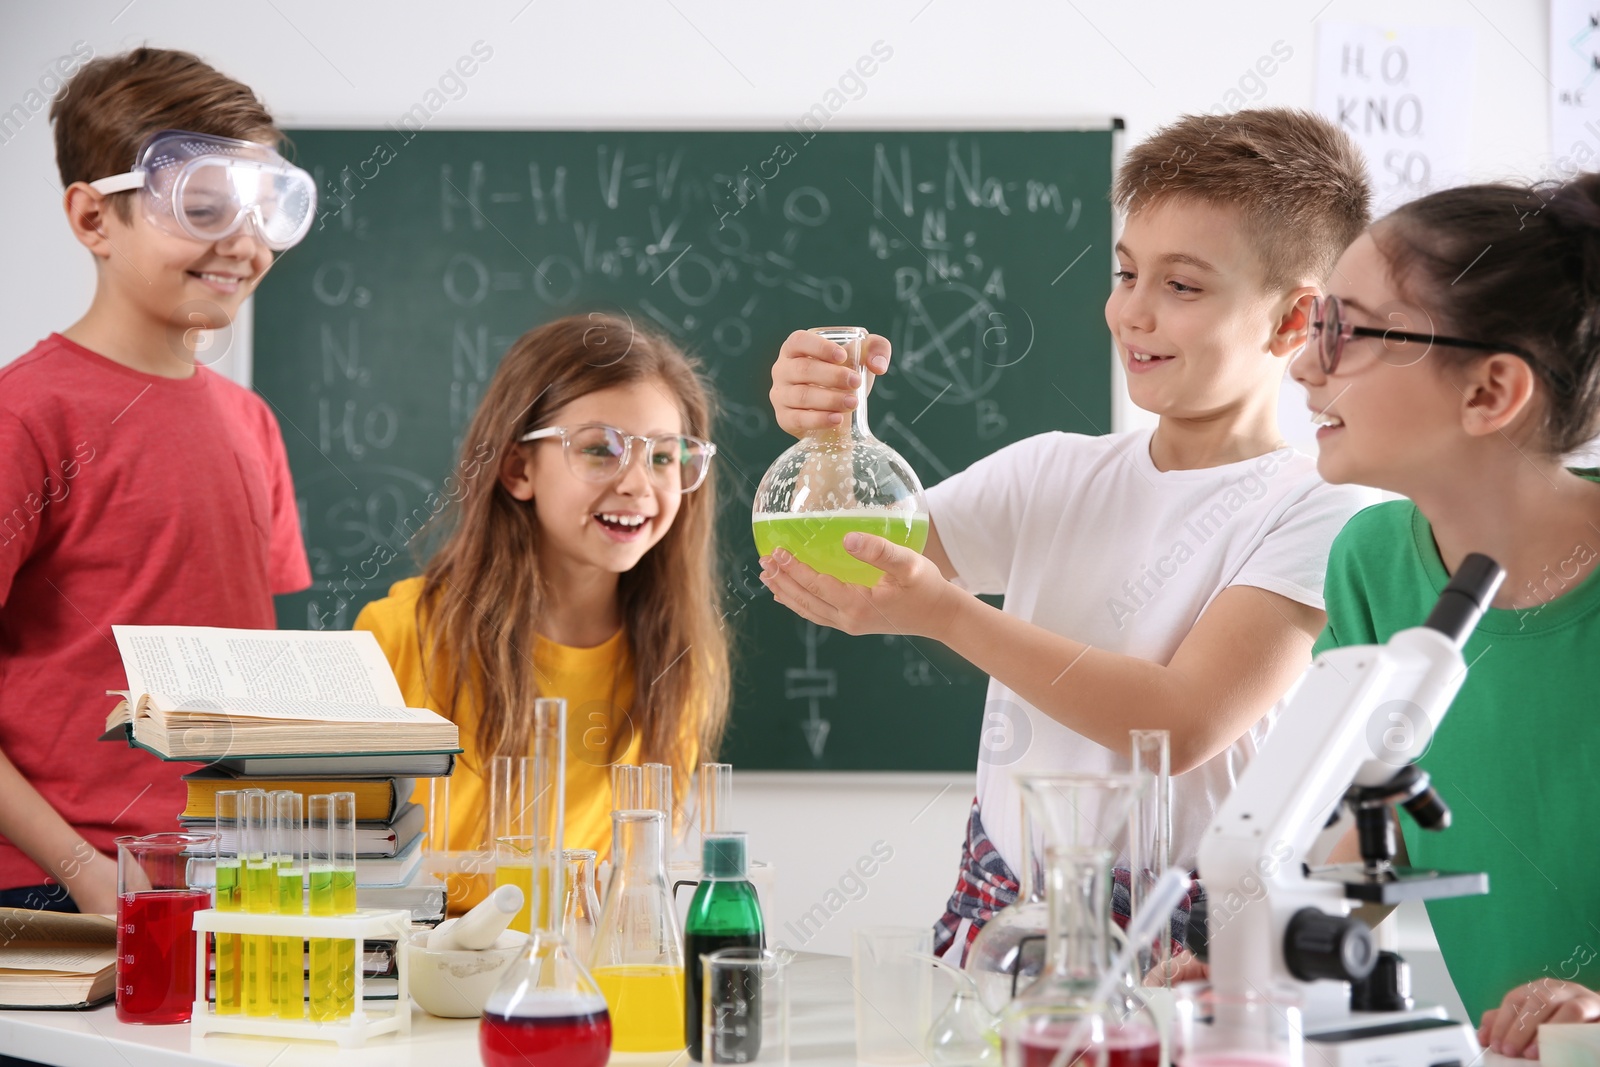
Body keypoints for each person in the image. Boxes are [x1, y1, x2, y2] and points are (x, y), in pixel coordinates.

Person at [761, 109, 1379, 961]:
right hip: (1002, 914)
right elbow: (860, 565)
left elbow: (1182, 721)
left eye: (1182, 286)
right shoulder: (1051, 472)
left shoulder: (1317, 505)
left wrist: (948, 616)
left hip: (1183, 949)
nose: (1133, 312)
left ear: (1291, 320)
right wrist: (824, 423)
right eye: (1127, 274)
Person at [0, 48, 312, 913]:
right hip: (57, 893)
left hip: (229, 879)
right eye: (203, 208)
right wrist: (81, 871)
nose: (244, 245)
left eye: (262, 212)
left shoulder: (252, 424)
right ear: (94, 218)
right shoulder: (26, 416)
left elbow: (251, 675)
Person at [1298, 174, 1600, 1059]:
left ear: (1490, 392)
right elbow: (1350, 848)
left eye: (1344, 330)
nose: (1303, 363)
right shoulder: (1371, 562)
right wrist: (1248, 958)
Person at [355, 313, 730, 912]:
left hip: (570, 976)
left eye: (664, 457)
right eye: (600, 449)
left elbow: (624, 883)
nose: (638, 484)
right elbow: (340, 864)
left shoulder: (680, 662)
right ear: (517, 469)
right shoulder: (397, 637)